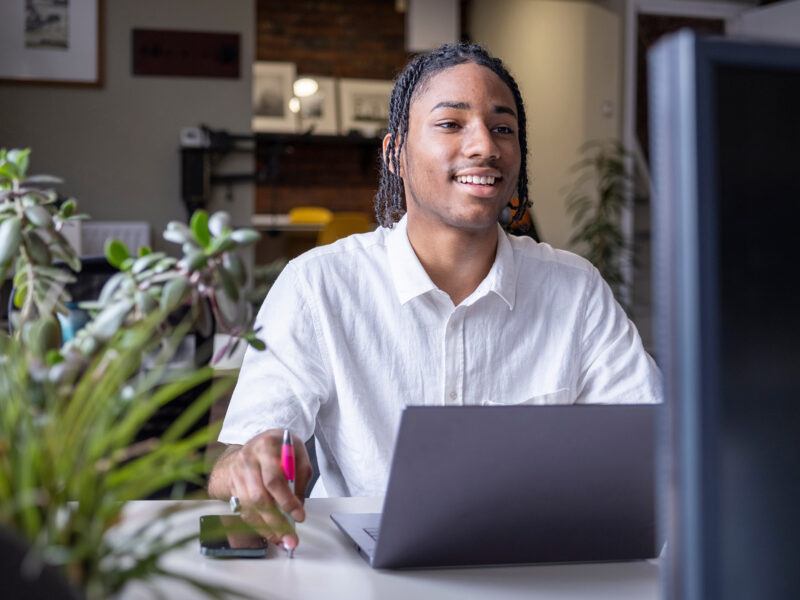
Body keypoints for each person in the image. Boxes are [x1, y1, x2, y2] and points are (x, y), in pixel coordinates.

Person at [208, 43, 661, 552]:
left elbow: (654, 446)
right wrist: (253, 468)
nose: (484, 146)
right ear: (395, 154)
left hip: (535, 569)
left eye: (503, 128)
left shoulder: (575, 290)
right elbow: (237, 464)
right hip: (366, 579)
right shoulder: (318, 286)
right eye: (451, 124)